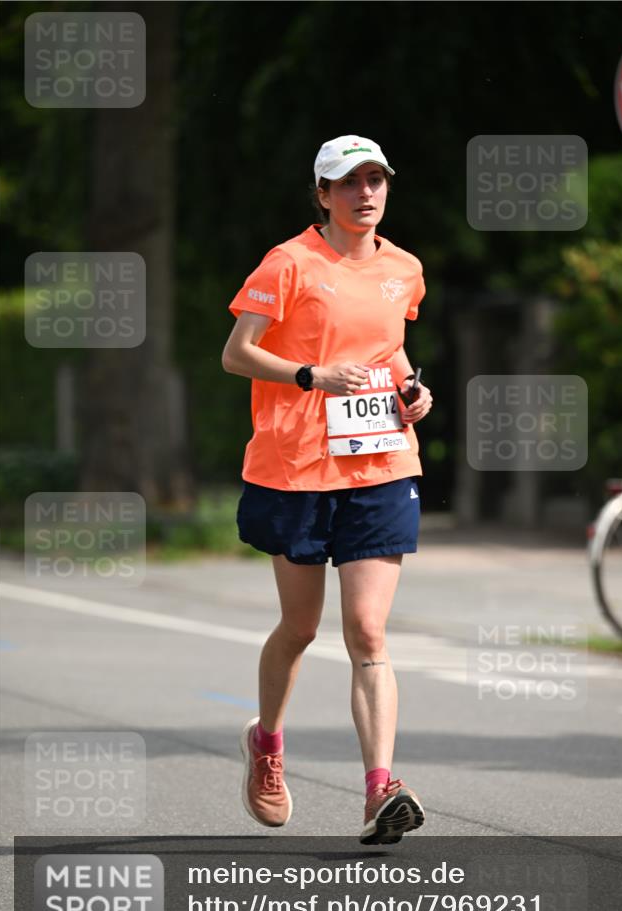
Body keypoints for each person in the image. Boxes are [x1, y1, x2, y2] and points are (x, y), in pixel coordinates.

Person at [222, 134, 433, 845]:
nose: (364, 194)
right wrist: (310, 376)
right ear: (322, 193)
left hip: (379, 463)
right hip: (297, 468)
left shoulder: (404, 269)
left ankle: (380, 790)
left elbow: (389, 346)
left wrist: (411, 390)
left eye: (375, 180)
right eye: (348, 183)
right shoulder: (288, 263)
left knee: (369, 633)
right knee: (302, 627)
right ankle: (268, 745)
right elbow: (236, 352)